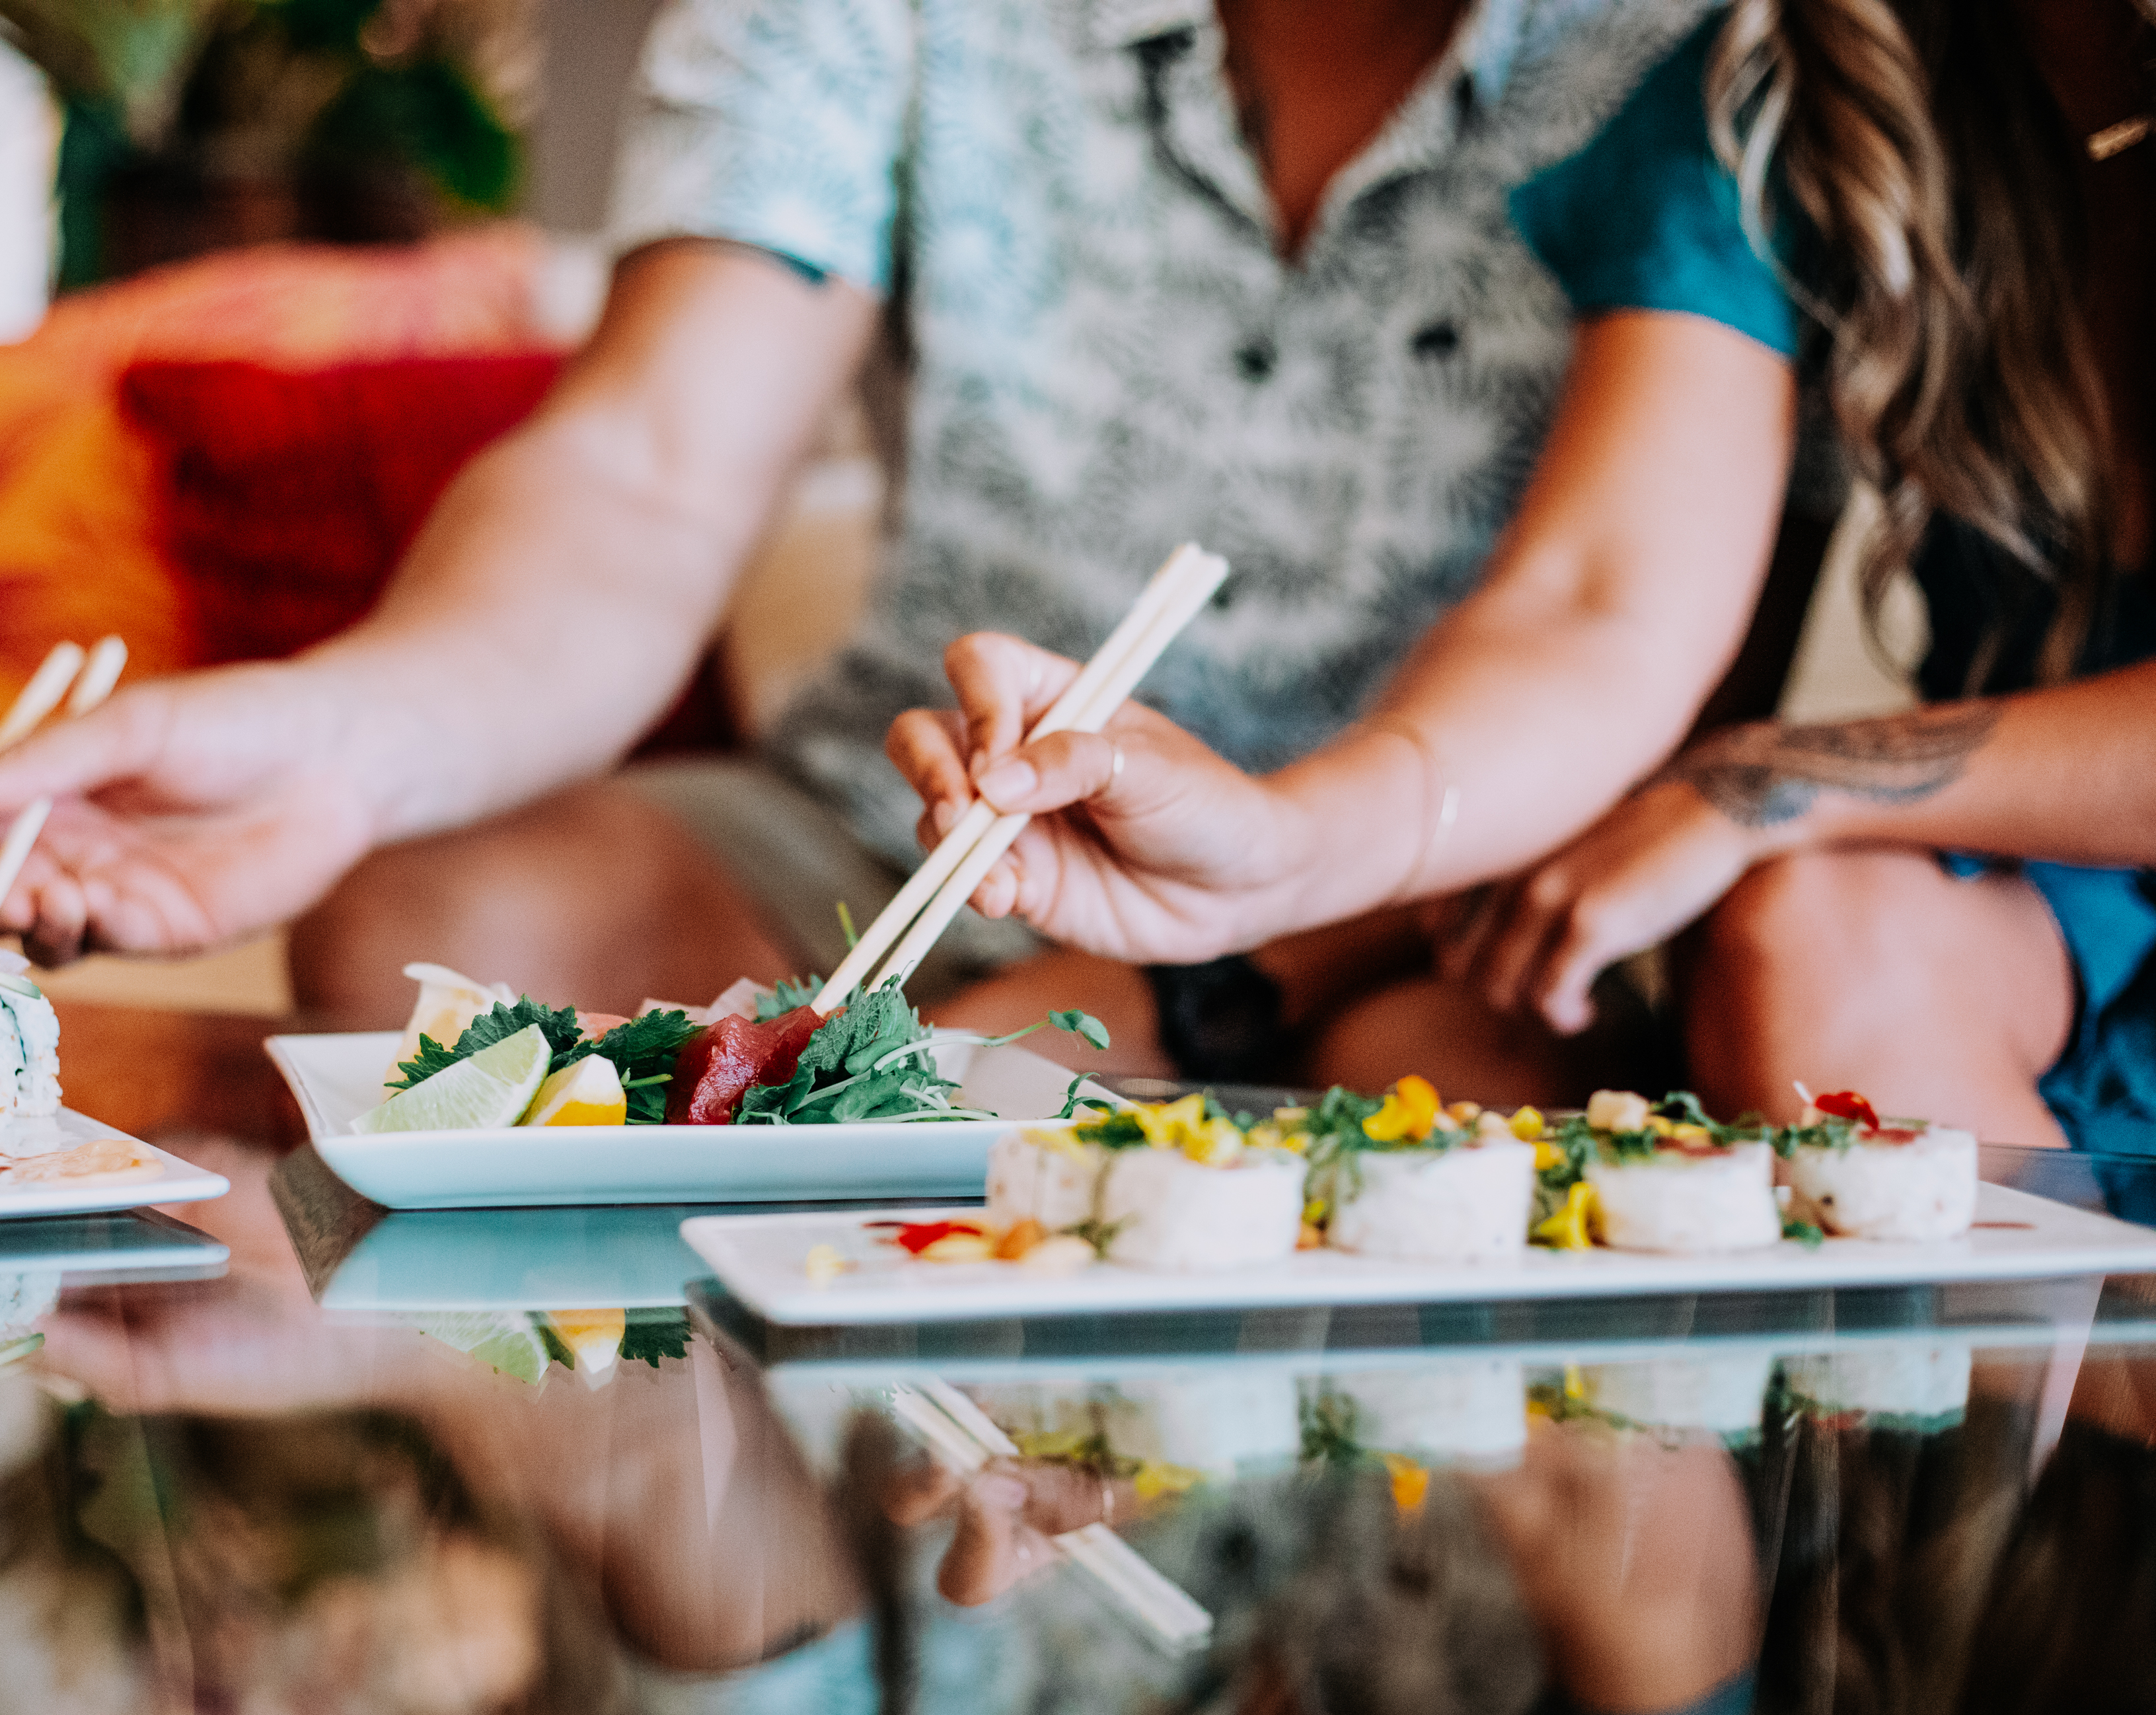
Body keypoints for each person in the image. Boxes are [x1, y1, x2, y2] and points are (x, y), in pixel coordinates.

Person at [0, 0, 1763, 1102]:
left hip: (1431, 872)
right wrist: (350, 736)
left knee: (1443, 1079)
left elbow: (1600, 609)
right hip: (896, 827)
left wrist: (1252, 926)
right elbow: (645, 460)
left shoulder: (1720, 48)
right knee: (433, 920)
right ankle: (754, 1660)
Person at [892, 0, 2153, 1143]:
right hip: (2041, 907)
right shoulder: (1796, 81)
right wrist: (1284, 850)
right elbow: (1595, 606)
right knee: (1810, 941)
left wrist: (1766, 779)